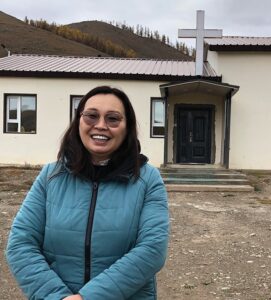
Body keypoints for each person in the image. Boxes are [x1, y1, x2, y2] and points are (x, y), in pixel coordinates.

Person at [6, 86, 169, 300]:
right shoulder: (51, 176)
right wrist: (57, 296)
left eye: (113, 118)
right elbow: (21, 244)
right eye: (91, 115)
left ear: (127, 127)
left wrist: (88, 297)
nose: (101, 125)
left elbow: (152, 250)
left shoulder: (147, 179)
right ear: (78, 122)